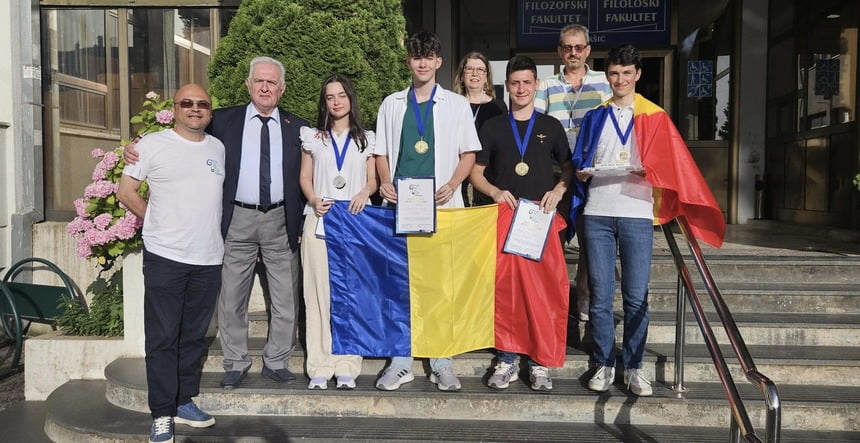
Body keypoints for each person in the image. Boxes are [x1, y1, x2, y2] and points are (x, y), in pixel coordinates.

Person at [124, 56, 308, 390]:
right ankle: (236, 362)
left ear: (281, 89)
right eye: (259, 81)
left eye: (271, 82)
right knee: (232, 296)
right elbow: (182, 131)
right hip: (236, 217)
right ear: (248, 85)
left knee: (286, 297)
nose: (264, 87)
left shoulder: (298, 127)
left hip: (281, 219)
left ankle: (278, 361)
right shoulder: (221, 120)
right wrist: (138, 145)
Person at [572, 45, 724, 397]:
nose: (620, 80)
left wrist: (652, 170)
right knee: (600, 296)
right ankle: (604, 363)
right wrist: (582, 172)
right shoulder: (595, 116)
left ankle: (635, 367)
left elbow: (673, 166)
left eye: (627, 73)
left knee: (636, 296)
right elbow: (582, 158)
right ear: (606, 76)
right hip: (598, 211)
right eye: (614, 73)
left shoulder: (656, 116)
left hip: (637, 213)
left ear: (638, 74)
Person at [373, 31, 482, 392]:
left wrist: (453, 184)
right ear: (409, 61)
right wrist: (384, 181)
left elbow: (469, 153)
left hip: (442, 208)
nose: (422, 63)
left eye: (428, 56)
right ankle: (401, 361)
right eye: (416, 56)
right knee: (400, 286)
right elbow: (381, 152)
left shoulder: (456, 104)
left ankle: (441, 361)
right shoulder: (391, 104)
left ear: (439, 61)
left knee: (441, 287)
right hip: (401, 208)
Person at [117, 84, 224, 443]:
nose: (195, 108)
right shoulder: (151, 145)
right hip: (166, 257)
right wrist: (156, 222)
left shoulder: (217, 148)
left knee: (193, 336)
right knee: (163, 337)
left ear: (210, 111)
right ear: (175, 109)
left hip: (208, 257)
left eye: (202, 104)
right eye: (187, 103)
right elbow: (126, 191)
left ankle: (183, 401)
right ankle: (162, 413)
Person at [470, 56, 571, 391]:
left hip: (539, 220)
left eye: (527, 82)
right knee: (507, 292)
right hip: (504, 220)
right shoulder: (493, 126)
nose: (521, 89)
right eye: (515, 83)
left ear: (536, 85)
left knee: (542, 292)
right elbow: (475, 173)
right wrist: (495, 191)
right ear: (507, 86)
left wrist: (559, 190)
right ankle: (507, 358)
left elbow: (568, 167)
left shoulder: (551, 126)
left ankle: (539, 361)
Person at [299, 73, 376, 390]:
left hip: (354, 222)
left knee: (350, 295)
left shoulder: (366, 139)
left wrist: (365, 192)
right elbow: (305, 177)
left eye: (341, 95)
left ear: (350, 98)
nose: (336, 102)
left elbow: (373, 180)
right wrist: (314, 199)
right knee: (317, 294)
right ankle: (320, 364)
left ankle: (347, 364)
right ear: (324, 102)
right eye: (330, 97)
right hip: (320, 220)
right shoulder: (313, 138)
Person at [535, 24, 612, 327]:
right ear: (559, 51)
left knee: (589, 240)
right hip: (556, 175)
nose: (573, 53)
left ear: (588, 50)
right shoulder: (546, 85)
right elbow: (538, 126)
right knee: (553, 237)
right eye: (567, 47)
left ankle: (583, 294)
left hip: (592, 175)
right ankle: (554, 295)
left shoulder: (604, 82)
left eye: (579, 47)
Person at [453, 51, 506, 206]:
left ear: (487, 77)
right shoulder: (452, 104)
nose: (475, 74)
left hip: (487, 173)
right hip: (457, 169)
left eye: (480, 70)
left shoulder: (498, 107)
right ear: (462, 75)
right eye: (469, 69)